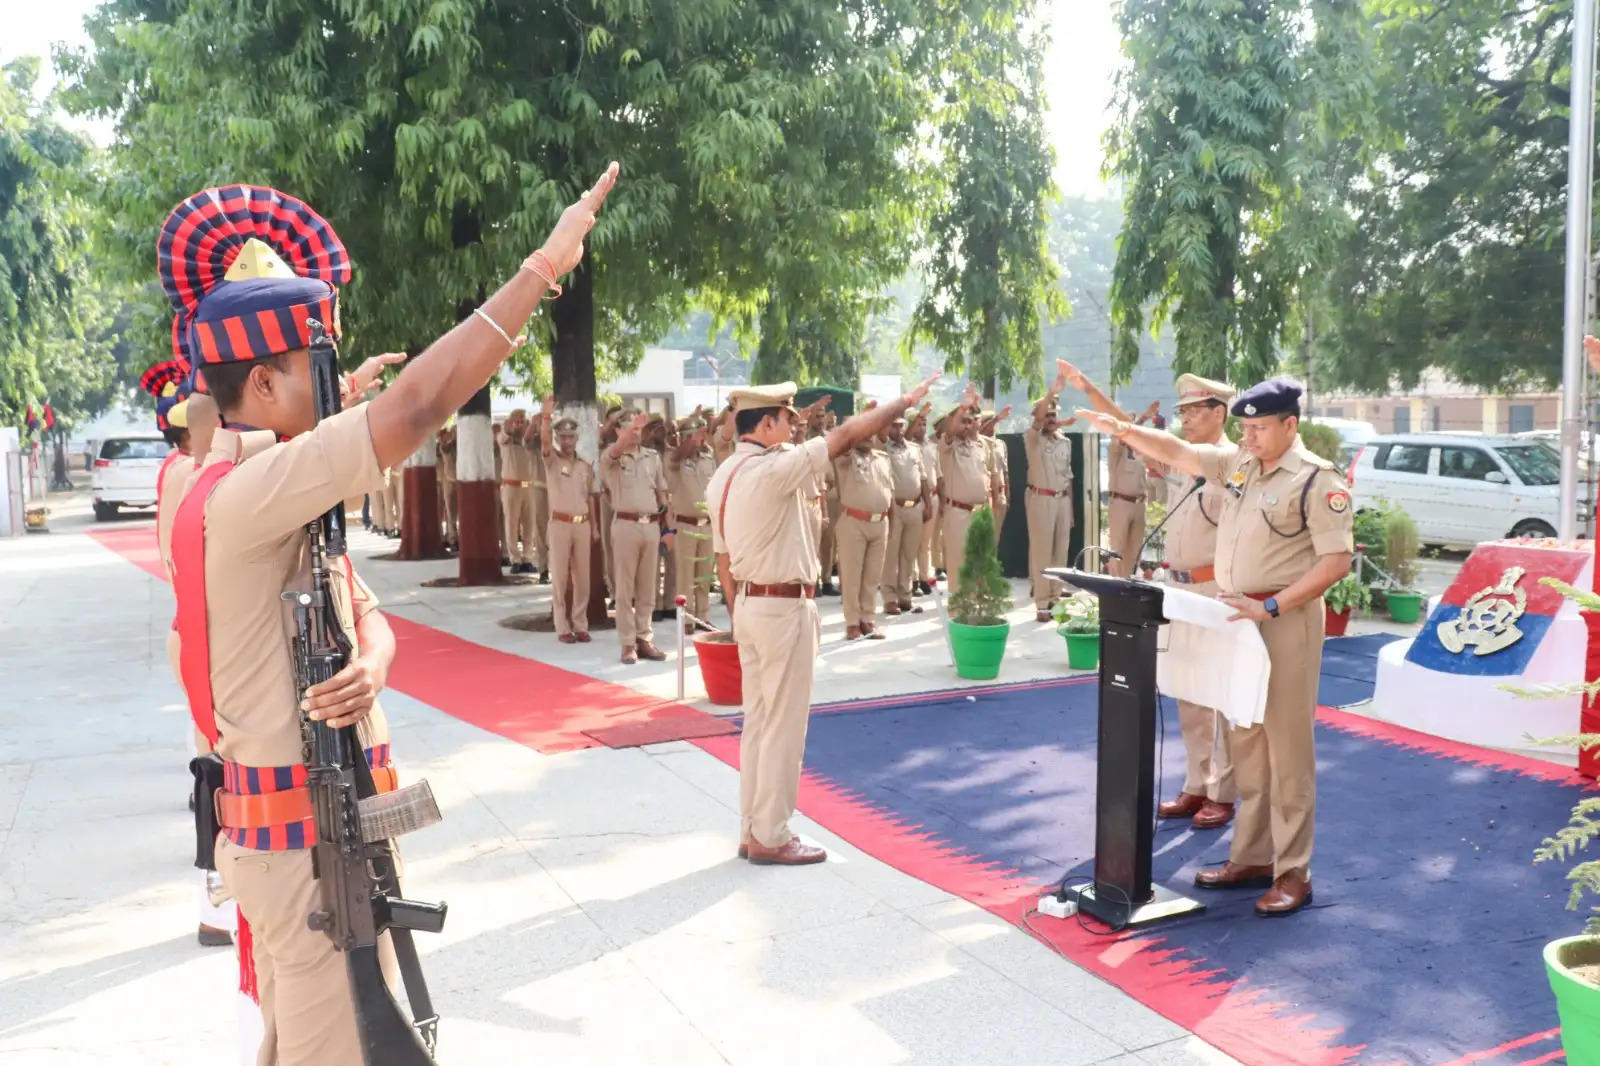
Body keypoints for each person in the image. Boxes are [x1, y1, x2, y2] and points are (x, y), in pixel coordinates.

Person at [162, 166, 617, 1062]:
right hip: (300, 847)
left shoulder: (262, 488)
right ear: (259, 384)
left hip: (312, 831)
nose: (332, 393)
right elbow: (416, 406)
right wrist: (542, 267)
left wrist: (373, 658)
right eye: (315, 372)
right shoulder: (246, 493)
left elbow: (361, 610)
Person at [1075, 378, 1353, 917]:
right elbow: (1179, 451)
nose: (1246, 436)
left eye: (1258, 428)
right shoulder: (1241, 466)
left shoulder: (1316, 480)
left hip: (1282, 620)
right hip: (1236, 619)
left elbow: (1335, 563)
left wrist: (1272, 607)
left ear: (1289, 425)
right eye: (1243, 427)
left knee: (1287, 747)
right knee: (1245, 738)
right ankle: (1251, 856)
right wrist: (1125, 430)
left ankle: (1293, 870)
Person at [707, 372, 938, 864]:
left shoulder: (723, 475)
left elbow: (723, 561)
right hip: (782, 607)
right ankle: (772, 835)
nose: (793, 427)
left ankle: (753, 829)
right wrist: (904, 401)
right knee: (783, 727)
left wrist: (741, 611)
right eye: (787, 419)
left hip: (749, 604)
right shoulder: (775, 468)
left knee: (759, 725)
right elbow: (846, 435)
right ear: (765, 425)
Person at [1064, 360, 1238, 828]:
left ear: (1220, 412)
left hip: (1216, 588)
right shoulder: (1185, 461)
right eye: (1182, 410)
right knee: (1190, 691)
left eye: (1196, 410)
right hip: (1178, 589)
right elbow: (1129, 433)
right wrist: (1089, 387)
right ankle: (1197, 783)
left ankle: (1224, 790)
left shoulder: (1232, 464)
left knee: (1221, 694)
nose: (1186, 418)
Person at [603, 411, 672, 663]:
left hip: (650, 525)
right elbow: (614, 452)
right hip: (626, 525)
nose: (636, 432)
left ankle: (644, 637)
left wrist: (667, 524)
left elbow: (661, 490)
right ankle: (627, 643)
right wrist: (628, 432)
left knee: (647, 587)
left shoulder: (652, 457)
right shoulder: (613, 456)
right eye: (630, 428)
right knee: (625, 588)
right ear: (618, 431)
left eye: (638, 428)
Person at [538, 394, 598, 643]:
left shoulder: (585, 465)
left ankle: (580, 623)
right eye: (562, 437)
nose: (567, 441)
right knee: (560, 578)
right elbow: (543, 441)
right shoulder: (552, 460)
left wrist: (594, 528)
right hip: (560, 524)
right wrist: (545, 416)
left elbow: (591, 498)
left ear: (577, 438)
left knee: (582, 578)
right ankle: (562, 626)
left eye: (571, 436)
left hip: (582, 524)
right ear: (558, 438)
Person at [1024, 364, 1078, 622]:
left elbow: (1069, 478)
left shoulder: (1065, 441)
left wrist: (1071, 510)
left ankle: (1056, 599)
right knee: (1042, 553)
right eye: (1046, 414)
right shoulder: (1033, 439)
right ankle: (1042, 603)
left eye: (1053, 415)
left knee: (1061, 552)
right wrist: (1050, 392)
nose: (1050, 418)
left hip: (1061, 501)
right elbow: (1037, 422)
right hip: (1041, 498)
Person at [833, 425, 894, 639]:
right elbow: (839, 445)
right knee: (851, 575)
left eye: (870, 433)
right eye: (862, 433)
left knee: (872, 576)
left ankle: (868, 620)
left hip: (880, 522)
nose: (867, 437)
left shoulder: (883, 458)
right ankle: (851, 623)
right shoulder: (845, 458)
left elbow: (889, 491)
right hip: (854, 521)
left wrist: (891, 521)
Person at [937, 387, 994, 595]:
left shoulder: (981, 447)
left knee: (980, 562)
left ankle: (977, 608)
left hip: (980, 512)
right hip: (958, 512)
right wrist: (964, 406)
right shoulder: (947, 446)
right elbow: (950, 431)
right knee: (959, 563)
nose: (967, 425)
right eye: (963, 421)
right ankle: (959, 612)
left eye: (971, 421)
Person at [879, 410, 932, 616]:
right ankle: (890, 598)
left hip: (915, 506)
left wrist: (928, 504)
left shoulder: (914, 449)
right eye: (894, 426)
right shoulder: (883, 449)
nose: (899, 430)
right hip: (895, 507)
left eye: (901, 426)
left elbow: (924, 479)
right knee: (891, 555)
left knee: (909, 554)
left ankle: (905, 595)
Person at [668, 412, 716, 630]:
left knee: (704, 576)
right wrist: (689, 443)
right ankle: (686, 620)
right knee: (685, 576)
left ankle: (703, 617)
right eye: (691, 436)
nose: (697, 440)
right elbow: (678, 456)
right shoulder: (674, 459)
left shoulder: (708, 458)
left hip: (706, 524)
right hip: (685, 524)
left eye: (697, 435)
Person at [500, 408, 540, 574]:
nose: (519, 424)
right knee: (512, 524)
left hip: (528, 486)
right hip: (511, 486)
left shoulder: (529, 440)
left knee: (530, 524)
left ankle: (528, 558)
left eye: (523, 421)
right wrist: (511, 427)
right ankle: (514, 559)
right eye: (516, 421)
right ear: (510, 422)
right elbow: (507, 433)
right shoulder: (504, 437)